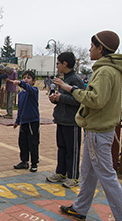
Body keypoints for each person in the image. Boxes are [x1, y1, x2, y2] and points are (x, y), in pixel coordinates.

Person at [55, 30, 122, 221]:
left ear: (100, 48)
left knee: (107, 177)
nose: (89, 49)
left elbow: (95, 100)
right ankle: (80, 208)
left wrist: (70, 89)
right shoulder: (112, 69)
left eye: (92, 46)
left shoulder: (104, 71)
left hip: (98, 131)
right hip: (98, 129)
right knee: (88, 172)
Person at [46, 52, 85, 188]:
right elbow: (63, 98)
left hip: (72, 121)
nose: (57, 66)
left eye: (58, 63)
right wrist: (55, 98)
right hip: (61, 119)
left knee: (72, 150)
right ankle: (61, 172)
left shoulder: (75, 80)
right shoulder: (64, 79)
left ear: (65, 64)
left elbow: (79, 100)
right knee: (61, 148)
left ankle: (73, 177)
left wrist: (60, 98)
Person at [12, 70, 40, 173]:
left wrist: (21, 83)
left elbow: (28, 88)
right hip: (23, 122)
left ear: (34, 81)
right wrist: (17, 121)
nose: (26, 79)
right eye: (24, 78)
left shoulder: (34, 91)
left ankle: (34, 163)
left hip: (33, 122)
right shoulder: (21, 94)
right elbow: (20, 108)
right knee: (22, 143)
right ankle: (24, 161)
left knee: (33, 143)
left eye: (28, 78)